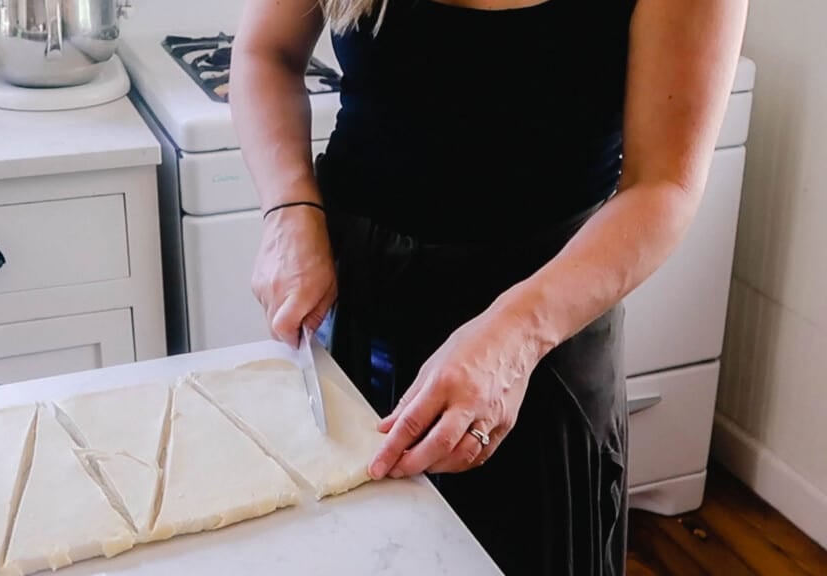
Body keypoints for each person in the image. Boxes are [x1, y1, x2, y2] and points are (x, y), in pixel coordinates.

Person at [229, 0, 747, 573]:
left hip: (548, 320)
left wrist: (518, 335)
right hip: (355, 305)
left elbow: (664, 185)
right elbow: (265, 53)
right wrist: (289, 209)